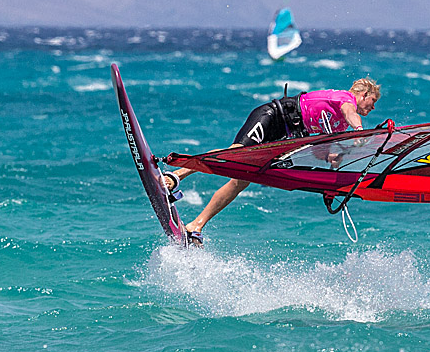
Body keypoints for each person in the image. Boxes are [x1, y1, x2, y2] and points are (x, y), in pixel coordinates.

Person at [163, 78, 381, 245]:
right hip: (273, 117)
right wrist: (359, 130)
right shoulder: (345, 99)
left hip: (285, 137)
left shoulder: (339, 126)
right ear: (363, 94)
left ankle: (195, 225)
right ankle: (175, 176)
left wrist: (334, 157)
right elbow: (350, 112)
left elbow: (318, 152)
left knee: (241, 180)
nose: (373, 107)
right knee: (235, 153)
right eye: (373, 101)